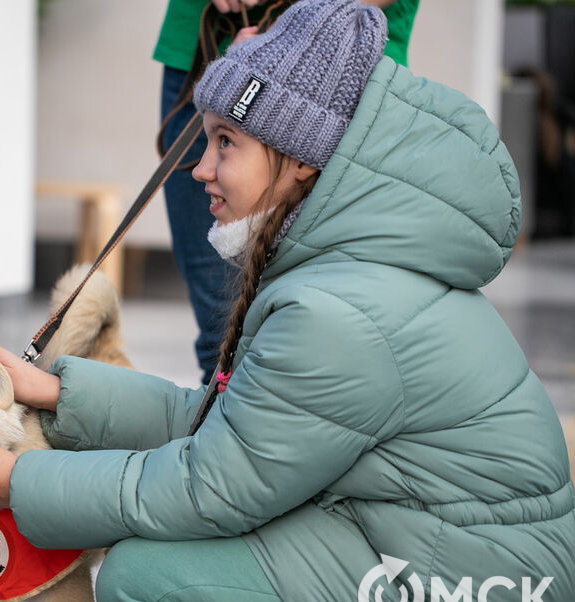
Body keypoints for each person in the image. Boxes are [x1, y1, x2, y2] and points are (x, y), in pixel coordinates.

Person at [0, 0, 575, 602]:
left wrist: (18, 481)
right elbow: (231, 429)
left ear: (301, 158)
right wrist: (51, 389)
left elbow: (208, 486)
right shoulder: (336, 263)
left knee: (146, 585)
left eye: (226, 142)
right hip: (436, 549)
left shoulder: (337, 312)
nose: (200, 169)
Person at [156, 0, 419, 384]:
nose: (200, 170)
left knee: (317, 321)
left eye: (223, 144)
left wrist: (297, 31)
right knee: (221, 334)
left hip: (333, 65)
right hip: (209, 40)